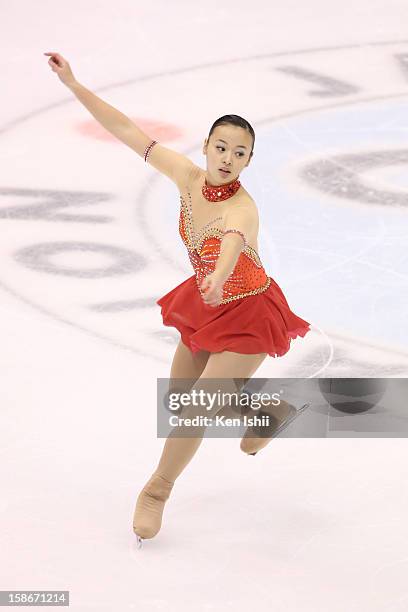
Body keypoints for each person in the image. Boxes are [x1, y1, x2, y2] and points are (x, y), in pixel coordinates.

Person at [44, 52, 312, 547]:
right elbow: (126, 130)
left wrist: (219, 277)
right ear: (207, 147)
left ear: (250, 160)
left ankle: (156, 491)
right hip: (205, 304)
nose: (228, 158)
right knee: (180, 403)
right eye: (222, 147)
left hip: (249, 312)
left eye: (240, 152)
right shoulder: (187, 177)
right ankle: (265, 413)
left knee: (196, 409)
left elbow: (233, 240)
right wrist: (75, 85)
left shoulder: (243, 207)